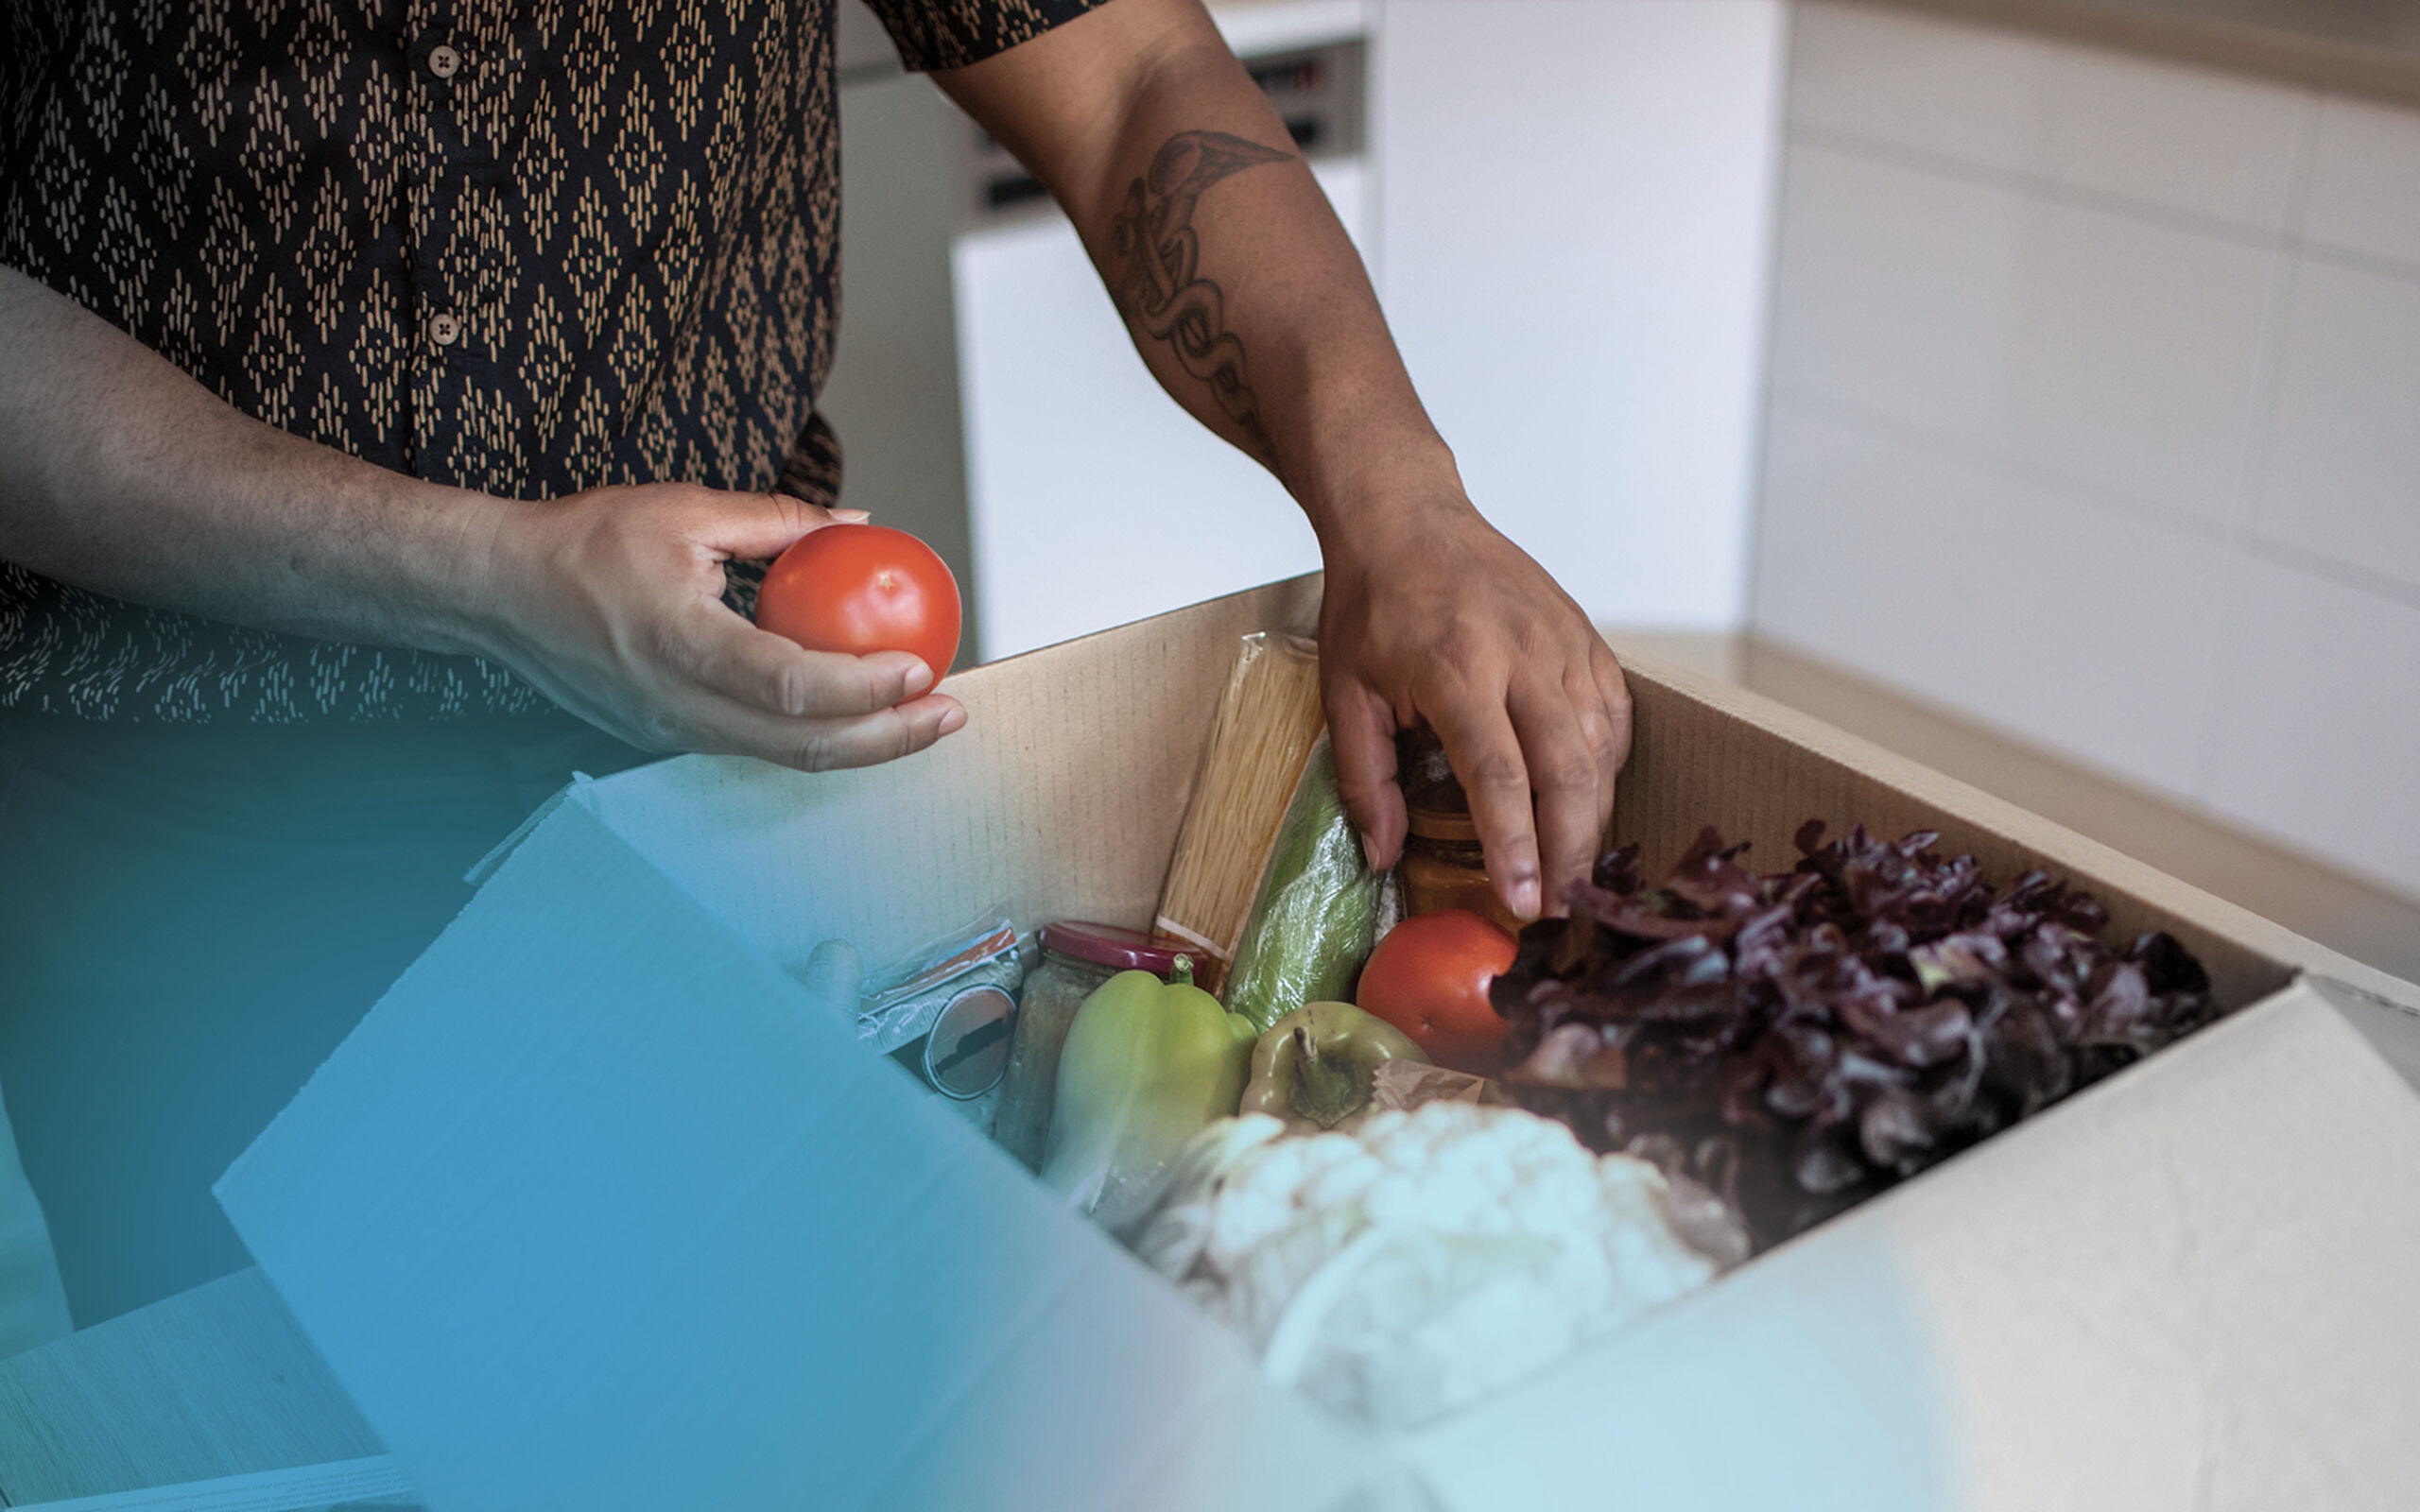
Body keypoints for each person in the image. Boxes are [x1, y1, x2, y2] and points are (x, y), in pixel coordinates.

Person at [0, 0, 1631, 1329]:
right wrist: (490, 577)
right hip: (173, 804)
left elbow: (1133, 67)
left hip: (750, 748)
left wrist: (1400, 499)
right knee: (258, 1387)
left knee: (772, 1356)